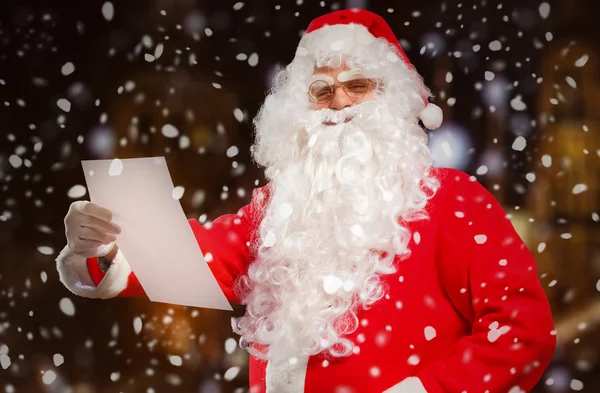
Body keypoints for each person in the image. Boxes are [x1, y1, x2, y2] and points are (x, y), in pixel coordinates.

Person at [56, 9, 556, 393]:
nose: (338, 102)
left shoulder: (454, 201)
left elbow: (521, 330)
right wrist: (103, 242)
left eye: (357, 86)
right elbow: (186, 256)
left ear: (393, 99)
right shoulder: (277, 212)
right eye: (322, 91)